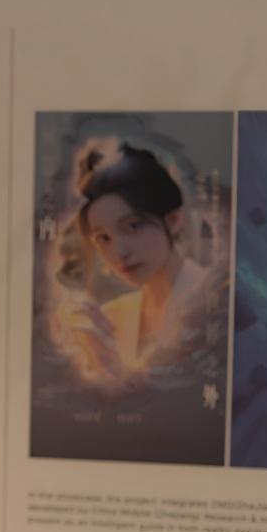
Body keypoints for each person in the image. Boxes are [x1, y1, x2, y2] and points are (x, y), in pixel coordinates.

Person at [65, 140, 210, 381]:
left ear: (173, 220)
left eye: (133, 226)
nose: (119, 252)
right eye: (103, 238)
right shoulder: (111, 318)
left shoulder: (215, 300)